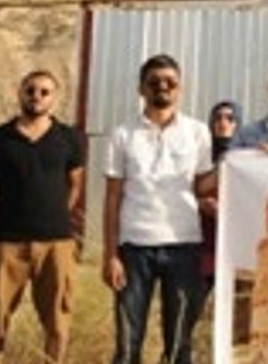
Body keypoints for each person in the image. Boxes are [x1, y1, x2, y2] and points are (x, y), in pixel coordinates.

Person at [103, 54, 213, 364]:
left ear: (180, 88)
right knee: (127, 347)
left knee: (179, 346)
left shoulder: (198, 132)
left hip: (184, 246)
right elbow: (112, 197)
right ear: (141, 88)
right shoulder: (122, 134)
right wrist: (110, 255)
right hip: (134, 248)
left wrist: (236, 162)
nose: (162, 87)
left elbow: (203, 185)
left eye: (170, 82)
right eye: (154, 82)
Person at [0, 70, 84, 364]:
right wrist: (1, 217)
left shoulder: (69, 139)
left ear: (54, 98)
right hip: (6, 244)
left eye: (44, 92)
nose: (36, 96)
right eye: (30, 90)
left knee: (58, 324)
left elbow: (75, 184)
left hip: (56, 245)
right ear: (20, 93)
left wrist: (56, 215)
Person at [198, 100, 241, 307]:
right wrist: (200, 204)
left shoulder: (247, 157)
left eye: (230, 118)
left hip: (234, 246)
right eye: (218, 118)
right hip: (203, 244)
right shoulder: (200, 155)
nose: (223, 123)